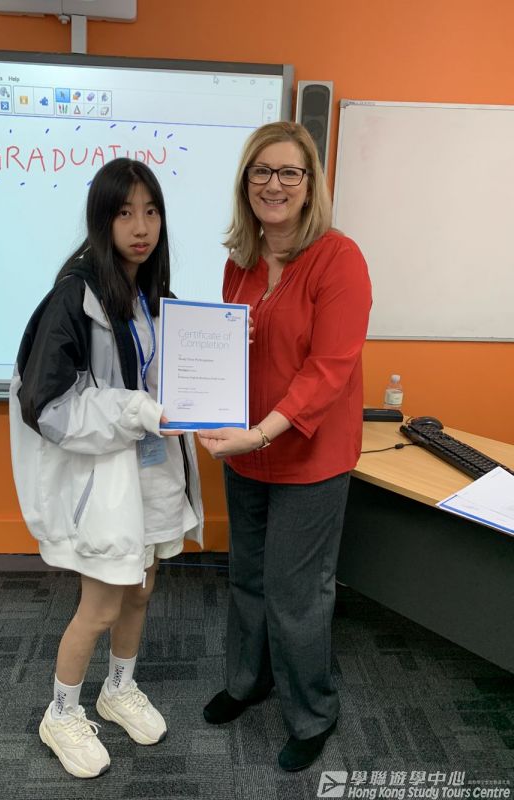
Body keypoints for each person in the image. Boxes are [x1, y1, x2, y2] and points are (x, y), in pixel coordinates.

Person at [9, 158, 203, 779]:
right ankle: (61, 712)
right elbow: (48, 406)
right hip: (106, 482)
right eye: (124, 213)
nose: (140, 227)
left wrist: (221, 362)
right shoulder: (75, 296)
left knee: (141, 591)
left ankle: (118, 688)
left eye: (151, 211)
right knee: (99, 606)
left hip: (154, 475)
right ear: (102, 219)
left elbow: (168, 378)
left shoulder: (153, 293)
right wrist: (137, 410)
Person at [198, 121, 371, 772]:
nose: (274, 184)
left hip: (308, 457)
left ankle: (312, 714)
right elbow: (235, 355)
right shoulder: (239, 263)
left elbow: (329, 369)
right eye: (261, 171)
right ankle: (249, 681)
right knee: (246, 576)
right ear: (246, 182)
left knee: (296, 592)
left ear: (309, 183)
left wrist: (263, 430)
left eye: (289, 172)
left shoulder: (338, 258)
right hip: (246, 450)